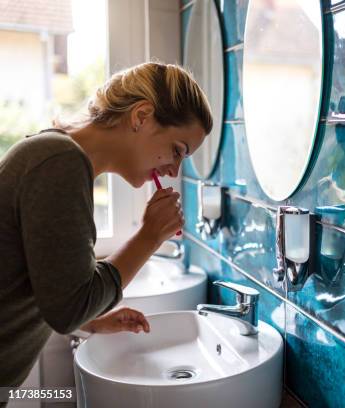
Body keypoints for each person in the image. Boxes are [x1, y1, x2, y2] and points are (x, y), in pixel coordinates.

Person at [0, 62, 213, 388]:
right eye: (177, 150)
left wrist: (93, 321)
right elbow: (69, 309)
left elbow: (47, 288)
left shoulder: (58, 155)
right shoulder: (59, 161)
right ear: (141, 116)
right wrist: (149, 237)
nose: (174, 172)